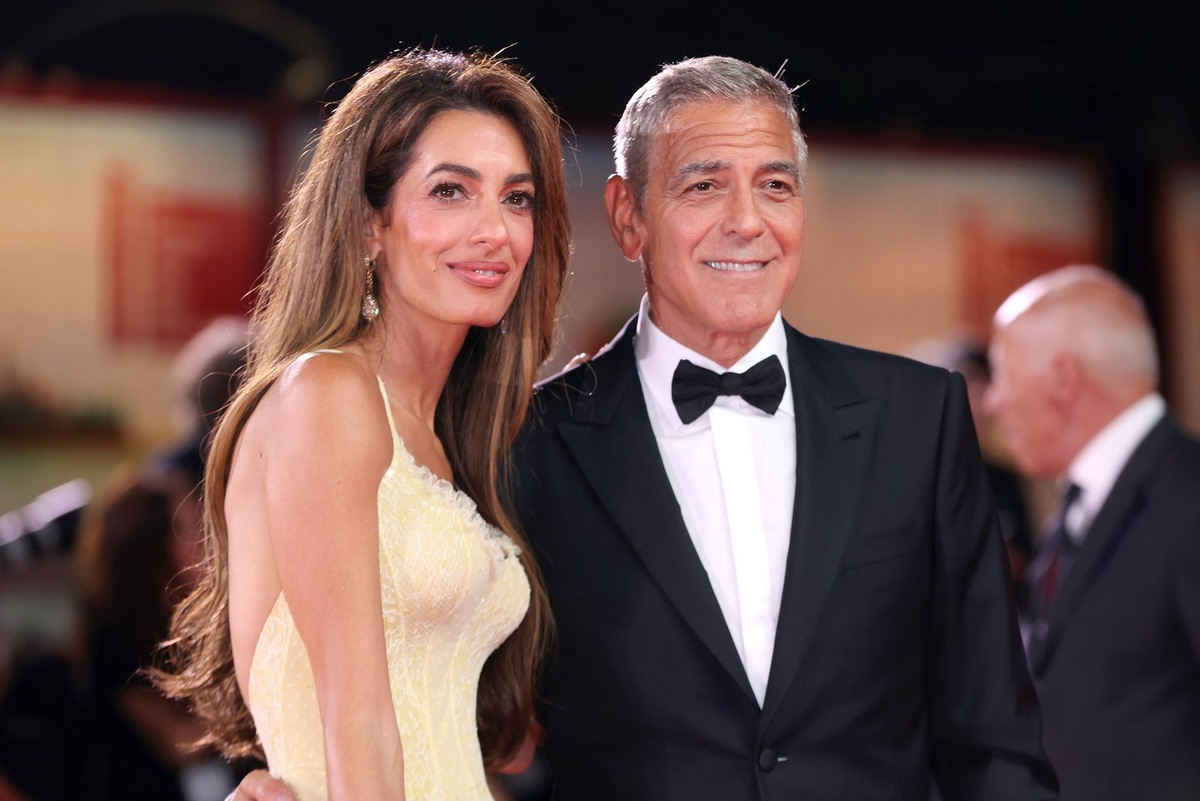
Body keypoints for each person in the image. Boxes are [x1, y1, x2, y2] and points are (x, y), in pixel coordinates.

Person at [230, 55, 1055, 801]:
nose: (747, 220)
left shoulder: (919, 418)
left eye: (776, 185)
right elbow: (354, 703)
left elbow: (994, 738)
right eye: (704, 185)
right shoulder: (527, 440)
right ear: (627, 218)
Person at [157, 47, 570, 800]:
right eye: (451, 191)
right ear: (369, 222)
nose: (496, 230)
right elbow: (358, 719)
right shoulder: (327, 392)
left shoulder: (440, 433)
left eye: (517, 199)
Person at [984, 265, 1200, 801]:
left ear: (1062, 379)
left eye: (1003, 374)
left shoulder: (1187, 495)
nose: (993, 402)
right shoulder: (1080, 505)